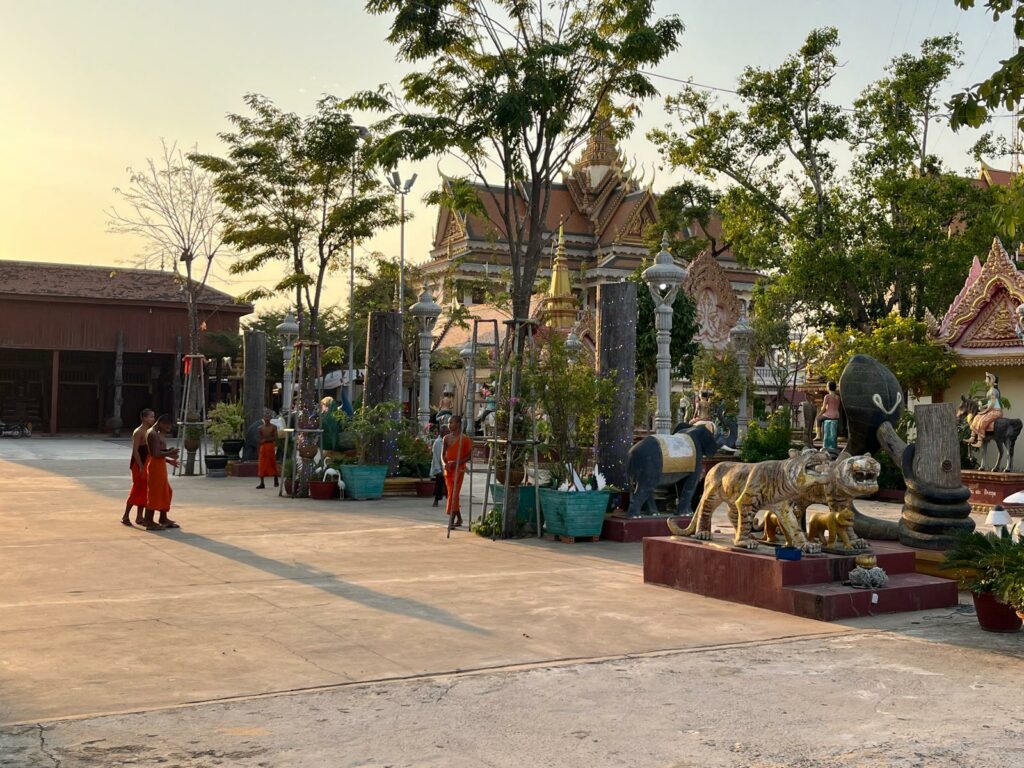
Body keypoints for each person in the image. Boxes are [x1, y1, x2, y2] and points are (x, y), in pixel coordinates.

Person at [145, 414, 180, 531]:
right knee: (155, 493)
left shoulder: (157, 434)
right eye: (168, 426)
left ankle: (163, 518)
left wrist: (169, 457)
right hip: (155, 467)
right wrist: (170, 453)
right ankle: (149, 521)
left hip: (159, 466)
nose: (169, 428)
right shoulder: (153, 434)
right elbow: (154, 454)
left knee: (166, 491)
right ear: (161, 423)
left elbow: (159, 451)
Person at [122, 408, 156, 526]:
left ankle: (139, 517)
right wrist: (141, 466)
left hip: (147, 462)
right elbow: (135, 451)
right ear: (144, 418)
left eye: (153, 416)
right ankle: (125, 515)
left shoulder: (151, 431)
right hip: (138, 463)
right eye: (151, 417)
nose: (153, 419)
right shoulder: (139, 432)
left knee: (144, 490)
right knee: (137, 489)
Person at [443, 415, 473, 527]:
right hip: (448, 470)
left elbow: (469, 456)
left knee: (453, 493)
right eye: (449, 423)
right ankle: (459, 519)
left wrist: (457, 463)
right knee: (452, 494)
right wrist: (445, 464)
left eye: (452, 423)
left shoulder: (465, 439)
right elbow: (442, 455)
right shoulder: (446, 438)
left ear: (459, 424)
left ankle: (451, 520)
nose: (449, 425)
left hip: (459, 469)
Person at [969, 372, 1004, 448]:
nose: (985, 380)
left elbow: (992, 404)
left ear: (991, 380)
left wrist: (985, 410)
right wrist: (982, 407)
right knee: (977, 417)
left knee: (983, 420)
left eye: (986, 379)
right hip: (991, 410)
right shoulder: (990, 391)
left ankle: (980, 441)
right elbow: (990, 403)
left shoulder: (993, 391)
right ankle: (972, 436)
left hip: (996, 411)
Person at [256, 409, 280, 489]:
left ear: (270, 418)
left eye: (268, 417)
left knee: (272, 462)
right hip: (263, 447)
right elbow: (259, 439)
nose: (266, 419)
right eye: (265, 417)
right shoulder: (260, 428)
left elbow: (275, 437)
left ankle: (275, 478)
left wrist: (267, 440)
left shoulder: (274, 427)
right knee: (262, 464)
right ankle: (262, 482)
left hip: (270, 446)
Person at [819, 381, 842, 454]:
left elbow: (823, 408)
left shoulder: (827, 396)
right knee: (833, 434)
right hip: (836, 415)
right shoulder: (838, 397)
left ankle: (818, 435)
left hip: (828, 415)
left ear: (828, 387)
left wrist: (819, 414)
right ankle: (833, 446)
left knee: (818, 419)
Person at [430, 423, 448, 508]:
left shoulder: (447, 440)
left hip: (447, 466)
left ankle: (451, 501)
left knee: (449, 485)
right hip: (440, 468)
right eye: (446, 432)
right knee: (439, 485)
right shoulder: (438, 442)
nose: (447, 433)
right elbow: (436, 458)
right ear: (442, 432)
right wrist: (438, 470)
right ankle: (436, 500)